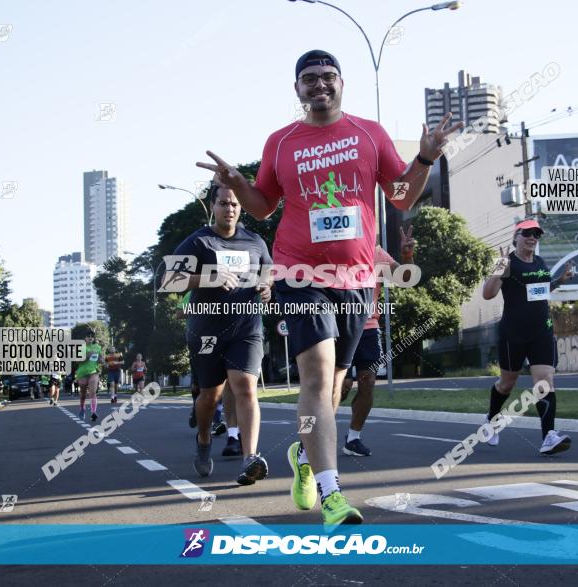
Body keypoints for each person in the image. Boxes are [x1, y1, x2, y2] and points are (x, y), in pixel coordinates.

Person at [197, 49, 460, 525]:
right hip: (300, 274)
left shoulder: (368, 133)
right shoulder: (281, 142)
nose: (319, 85)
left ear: (342, 84)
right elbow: (261, 207)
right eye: (309, 79)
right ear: (296, 89)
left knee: (334, 390)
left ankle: (304, 453)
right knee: (317, 379)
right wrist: (237, 180)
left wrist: (425, 158)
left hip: (357, 278)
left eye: (328, 76)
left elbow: (400, 196)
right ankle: (333, 496)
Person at [163, 185, 273, 485]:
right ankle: (203, 437)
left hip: (246, 327)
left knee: (245, 386)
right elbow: (170, 280)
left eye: (235, 204)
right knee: (210, 397)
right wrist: (208, 277)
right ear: (213, 206)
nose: (230, 209)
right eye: (224, 203)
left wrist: (266, 288)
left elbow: (268, 274)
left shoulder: (255, 241)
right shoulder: (198, 241)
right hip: (207, 330)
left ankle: (250, 458)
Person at [481, 219, 573, 455]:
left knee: (545, 382)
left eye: (536, 234)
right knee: (506, 384)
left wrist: (560, 281)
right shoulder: (507, 262)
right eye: (527, 233)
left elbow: (538, 291)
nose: (532, 237)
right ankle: (491, 420)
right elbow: (488, 294)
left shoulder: (541, 263)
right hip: (513, 333)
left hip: (541, 331)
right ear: (516, 237)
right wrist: (498, 270)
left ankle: (548, 436)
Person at [339, 228, 415, 457]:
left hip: (369, 327)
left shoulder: (376, 253)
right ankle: (314, 436)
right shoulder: (334, 249)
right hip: (339, 326)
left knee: (368, 382)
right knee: (338, 386)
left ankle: (353, 438)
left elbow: (405, 281)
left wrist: (407, 257)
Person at [75, 329, 105, 421]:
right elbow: (77, 360)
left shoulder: (97, 347)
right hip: (82, 373)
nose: (91, 338)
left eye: (92, 336)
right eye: (89, 336)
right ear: (85, 338)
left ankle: (93, 412)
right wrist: (87, 355)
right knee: (83, 394)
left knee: (92, 392)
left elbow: (101, 359)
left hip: (93, 372)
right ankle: (82, 408)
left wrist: (102, 360)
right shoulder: (81, 347)